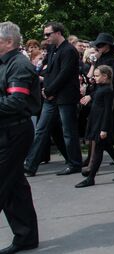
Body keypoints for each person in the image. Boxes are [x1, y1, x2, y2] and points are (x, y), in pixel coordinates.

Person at [0, 22, 41, 254]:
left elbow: (16, 102)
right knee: (15, 187)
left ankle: (26, 236)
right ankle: (26, 237)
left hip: (14, 132)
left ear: (8, 42)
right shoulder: (5, 63)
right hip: (6, 131)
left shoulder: (19, 64)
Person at [24, 22, 82, 176]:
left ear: (58, 33)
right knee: (41, 130)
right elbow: (48, 70)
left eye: (48, 34)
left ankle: (75, 163)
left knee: (68, 131)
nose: (46, 37)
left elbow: (64, 74)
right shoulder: (52, 50)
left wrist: (49, 89)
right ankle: (30, 166)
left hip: (65, 97)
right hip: (51, 96)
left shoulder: (69, 50)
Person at [75, 65, 114, 188]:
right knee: (107, 147)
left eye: (97, 75)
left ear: (105, 76)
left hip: (101, 124)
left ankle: (91, 177)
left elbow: (108, 111)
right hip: (96, 122)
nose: (95, 77)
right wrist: (90, 96)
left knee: (99, 149)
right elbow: (96, 93)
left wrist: (104, 129)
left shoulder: (108, 91)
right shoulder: (101, 88)